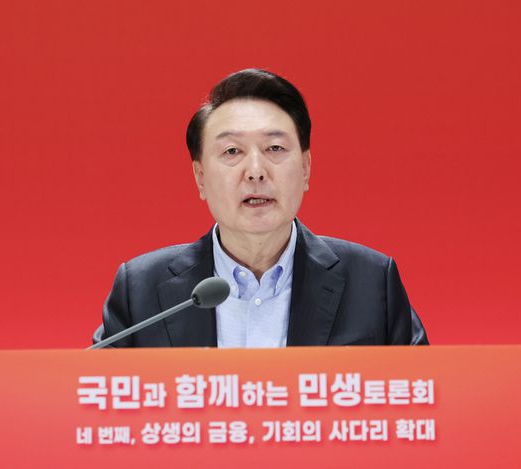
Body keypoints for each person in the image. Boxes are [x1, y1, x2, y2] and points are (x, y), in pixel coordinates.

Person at [93, 68, 428, 347]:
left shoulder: (371, 283)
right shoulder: (141, 291)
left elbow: (423, 395)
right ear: (200, 178)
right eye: (232, 152)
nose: (255, 171)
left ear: (306, 168)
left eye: (275, 148)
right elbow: (94, 395)